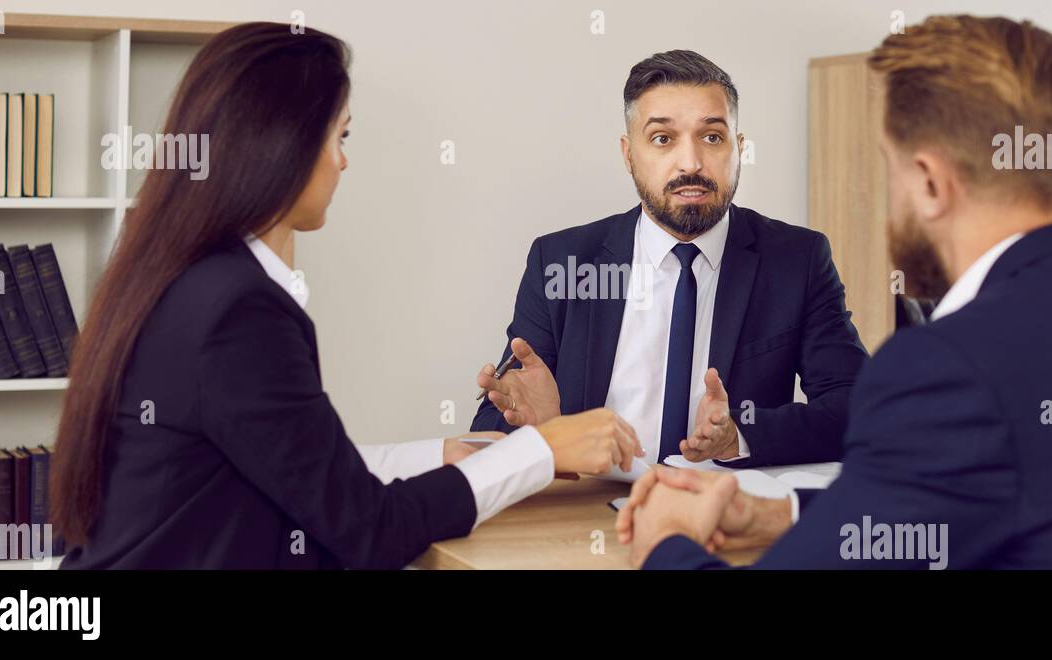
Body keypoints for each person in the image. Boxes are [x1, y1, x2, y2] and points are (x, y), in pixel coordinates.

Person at [618, 15, 1052, 570]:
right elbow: (996, 500)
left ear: (928, 182)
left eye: (891, 168)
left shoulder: (946, 364)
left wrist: (666, 541)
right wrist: (778, 512)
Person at [50, 22, 641, 570]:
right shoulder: (238, 310)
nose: (343, 160)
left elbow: (306, 470)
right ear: (281, 143)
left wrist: (451, 453)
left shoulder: (184, 276)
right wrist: (539, 449)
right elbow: (367, 529)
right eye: (340, 135)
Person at [471, 50, 866, 469]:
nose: (691, 163)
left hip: (721, 517)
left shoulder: (797, 260)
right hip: (587, 515)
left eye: (712, 137)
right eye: (663, 139)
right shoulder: (562, 262)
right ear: (628, 155)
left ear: (740, 148)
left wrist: (740, 436)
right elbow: (493, 423)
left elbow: (858, 409)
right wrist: (544, 433)